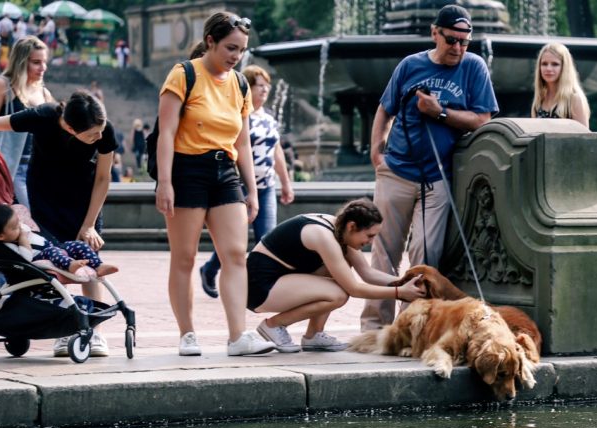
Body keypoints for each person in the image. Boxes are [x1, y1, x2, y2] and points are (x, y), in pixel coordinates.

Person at [361, 3, 498, 331]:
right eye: (451, 40)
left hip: (437, 178)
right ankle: (374, 328)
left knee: (426, 255)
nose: (458, 48)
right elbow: (385, 108)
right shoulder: (411, 65)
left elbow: (482, 119)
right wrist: (376, 153)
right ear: (435, 33)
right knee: (384, 252)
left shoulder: (474, 68)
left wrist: (439, 113)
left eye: (465, 41)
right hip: (396, 171)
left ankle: (413, 326)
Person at [154, 12, 274, 357]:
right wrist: (165, 182)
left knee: (236, 254)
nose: (236, 56)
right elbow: (166, 132)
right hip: (186, 170)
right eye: (230, 48)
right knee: (185, 257)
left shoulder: (239, 84)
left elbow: (243, 142)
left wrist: (251, 190)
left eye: (241, 50)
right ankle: (187, 334)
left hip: (225, 173)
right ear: (210, 42)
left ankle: (238, 336)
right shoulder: (184, 74)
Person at [0, 89, 117, 357]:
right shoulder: (43, 116)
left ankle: (94, 332)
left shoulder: (103, 130)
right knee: (53, 262)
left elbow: (103, 178)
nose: (99, 137)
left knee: (89, 259)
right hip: (45, 199)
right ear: (71, 128)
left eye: (101, 130)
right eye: (91, 135)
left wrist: (89, 224)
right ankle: (65, 329)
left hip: (84, 199)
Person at [249, 199, 425, 352]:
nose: (370, 242)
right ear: (352, 226)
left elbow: (367, 273)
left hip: (280, 279)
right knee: (338, 293)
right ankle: (274, 325)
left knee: (342, 269)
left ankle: (313, 336)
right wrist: (399, 293)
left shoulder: (340, 230)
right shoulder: (323, 236)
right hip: (258, 288)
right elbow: (354, 289)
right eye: (369, 236)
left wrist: (406, 282)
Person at [199, 64, 295, 299]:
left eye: (267, 86)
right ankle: (211, 269)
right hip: (238, 185)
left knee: (267, 238)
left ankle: (260, 285)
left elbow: (277, 150)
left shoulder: (269, 118)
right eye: (260, 86)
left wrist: (286, 182)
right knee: (235, 240)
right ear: (248, 88)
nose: (265, 90)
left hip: (266, 186)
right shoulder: (238, 115)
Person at [0, 35, 55, 209]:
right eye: (36, 62)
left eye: (44, 62)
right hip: (12, 167)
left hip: (41, 168)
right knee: (31, 223)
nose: (43, 68)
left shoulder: (44, 93)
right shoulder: (2, 85)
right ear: (21, 62)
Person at [0, 203, 118, 280]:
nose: (19, 227)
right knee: (53, 251)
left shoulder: (18, 230)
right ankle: (70, 265)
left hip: (54, 247)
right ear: (0, 236)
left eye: (18, 223)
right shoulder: (9, 247)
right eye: (14, 227)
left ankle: (98, 265)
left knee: (78, 245)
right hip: (41, 255)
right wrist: (22, 238)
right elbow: (26, 258)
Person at [530, 42, 589, 128]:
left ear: (564, 67)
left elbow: (585, 138)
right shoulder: (539, 100)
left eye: (555, 64)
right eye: (544, 64)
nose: (548, 68)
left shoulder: (574, 99)